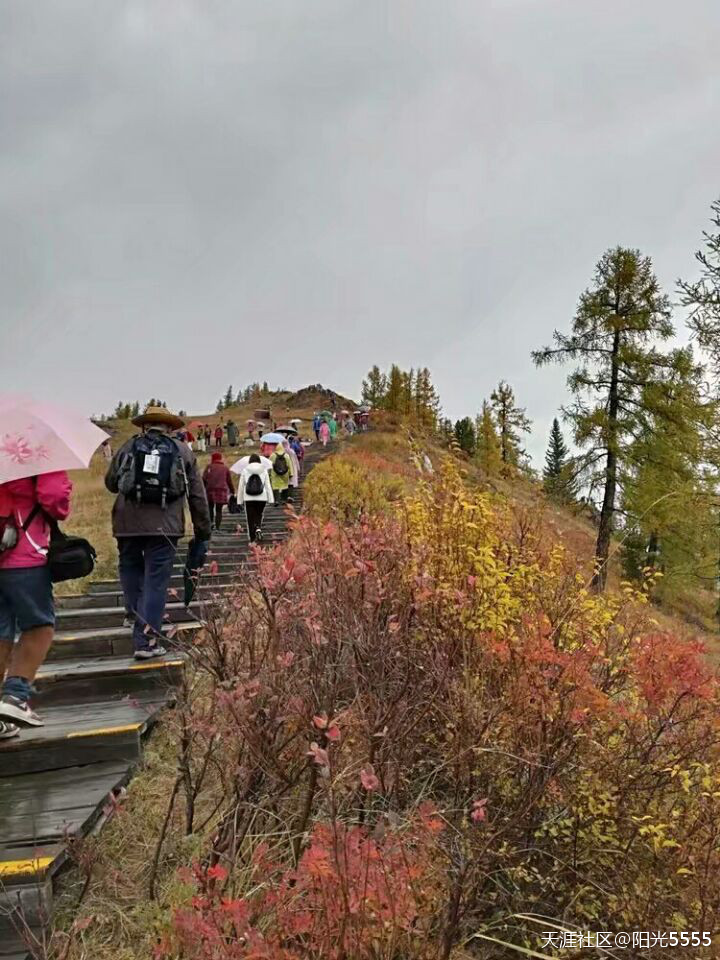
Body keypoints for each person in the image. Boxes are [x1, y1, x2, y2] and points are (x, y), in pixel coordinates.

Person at [105, 404, 211, 660]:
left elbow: (110, 483)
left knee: (129, 567)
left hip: (127, 524)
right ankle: (146, 641)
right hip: (166, 526)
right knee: (156, 581)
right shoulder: (183, 451)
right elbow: (196, 494)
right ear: (171, 427)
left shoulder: (129, 446)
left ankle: (133, 614)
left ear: (145, 425)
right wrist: (202, 529)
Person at [0, 470, 72, 731]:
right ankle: (15, 696)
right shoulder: (34, 444)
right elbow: (53, 497)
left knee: (1, 631)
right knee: (39, 626)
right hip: (24, 550)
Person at [238, 453, 274, 542]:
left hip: (248, 497)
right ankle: (258, 527)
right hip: (262, 497)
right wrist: (271, 499)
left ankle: (252, 538)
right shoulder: (264, 470)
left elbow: (241, 486)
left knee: (250, 517)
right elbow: (268, 485)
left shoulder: (245, 470)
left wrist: (239, 500)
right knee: (259, 513)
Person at [203, 451, 235, 531]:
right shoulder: (225, 468)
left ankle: (211, 524)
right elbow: (229, 481)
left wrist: (203, 489)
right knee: (219, 510)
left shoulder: (209, 467)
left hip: (210, 490)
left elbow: (203, 479)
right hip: (221, 491)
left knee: (210, 508)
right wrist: (232, 491)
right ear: (220, 459)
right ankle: (217, 527)